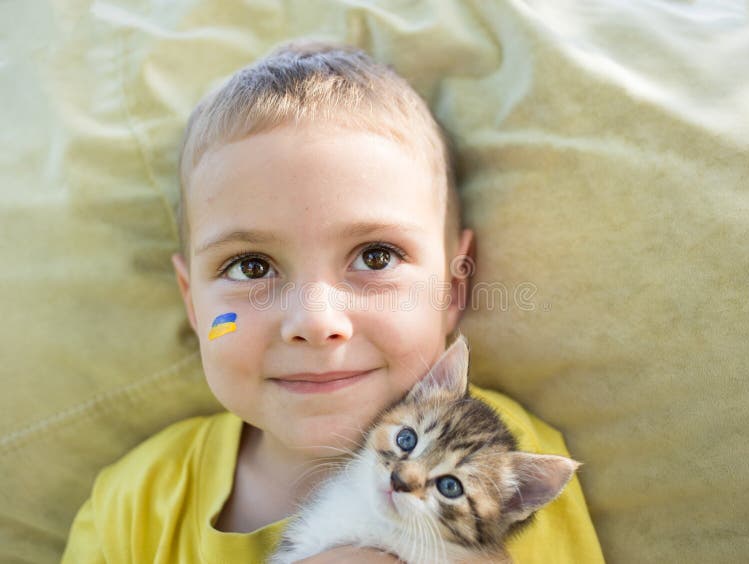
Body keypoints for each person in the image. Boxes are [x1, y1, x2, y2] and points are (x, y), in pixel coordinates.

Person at [62, 39, 604, 563]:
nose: (316, 322)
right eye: (250, 266)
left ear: (452, 290)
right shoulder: (131, 505)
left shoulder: (503, 459)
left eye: (375, 257)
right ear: (197, 309)